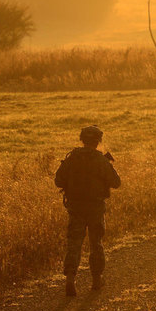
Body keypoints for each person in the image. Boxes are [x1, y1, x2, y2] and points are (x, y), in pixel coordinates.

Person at [54, 125, 120, 296]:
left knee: (74, 244)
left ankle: (70, 279)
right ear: (98, 141)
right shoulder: (100, 160)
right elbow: (116, 182)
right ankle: (97, 280)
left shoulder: (72, 158)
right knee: (96, 243)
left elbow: (58, 181)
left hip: (75, 208)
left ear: (82, 140)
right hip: (95, 208)